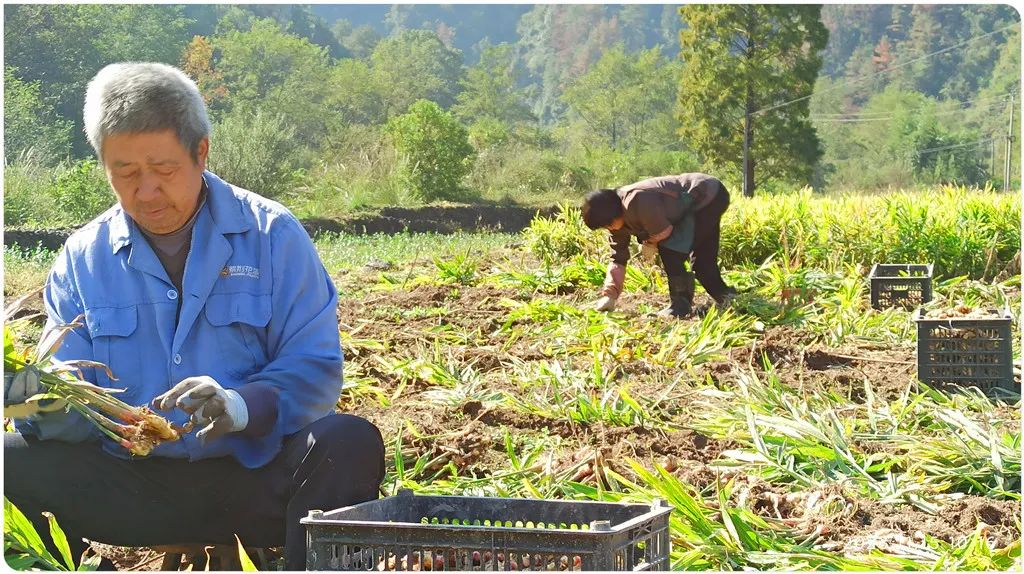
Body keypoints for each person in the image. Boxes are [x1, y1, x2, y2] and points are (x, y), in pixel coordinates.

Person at [3, 62, 384, 571]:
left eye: (162, 170)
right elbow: (66, 397)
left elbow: (314, 368)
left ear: (200, 152)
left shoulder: (272, 235)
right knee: (10, 459)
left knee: (348, 442)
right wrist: (25, 396)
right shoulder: (82, 257)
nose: (146, 193)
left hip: (251, 479)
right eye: (125, 173)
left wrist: (238, 406)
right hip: (130, 486)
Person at [582, 173, 737, 318]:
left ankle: (680, 307)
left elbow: (664, 231)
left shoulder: (637, 200)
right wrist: (609, 296)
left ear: (613, 212)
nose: (610, 229)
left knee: (670, 250)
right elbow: (618, 258)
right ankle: (728, 298)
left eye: (608, 224)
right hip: (707, 197)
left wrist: (650, 243)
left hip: (706, 196)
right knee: (702, 263)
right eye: (605, 227)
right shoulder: (616, 222)